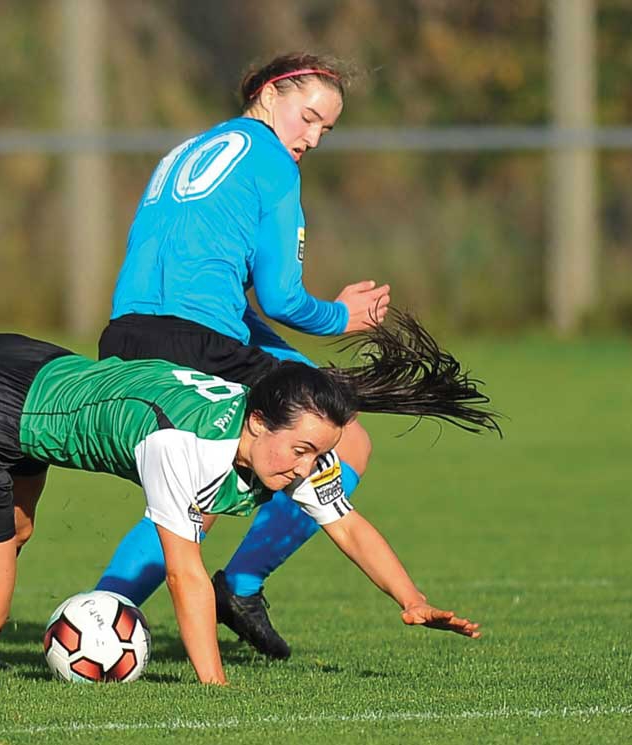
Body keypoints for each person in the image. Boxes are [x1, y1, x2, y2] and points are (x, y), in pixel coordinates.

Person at [0, 313, 497, 684]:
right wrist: (215, 694)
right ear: (258, 421)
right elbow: (187, 576)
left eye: (318, 455)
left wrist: (411, 596)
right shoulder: (188, 447)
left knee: (10, 538)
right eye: (302, 451)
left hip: (24, 364)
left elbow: (347, 522)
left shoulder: (275, 441)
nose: (309, 469)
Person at [92, 51, 390, 659]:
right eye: (308, 117)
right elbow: (282, 295)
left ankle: (99, 616)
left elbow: (205, 283)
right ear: (272, 93)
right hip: (195, 337)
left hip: (126, 332)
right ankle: (242, 586)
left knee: (195, 484)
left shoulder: (190, 150)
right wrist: (342, 317)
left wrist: (291, 361)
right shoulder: (274, 164)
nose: (311, 138)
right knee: (345, 439)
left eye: (325, 130)